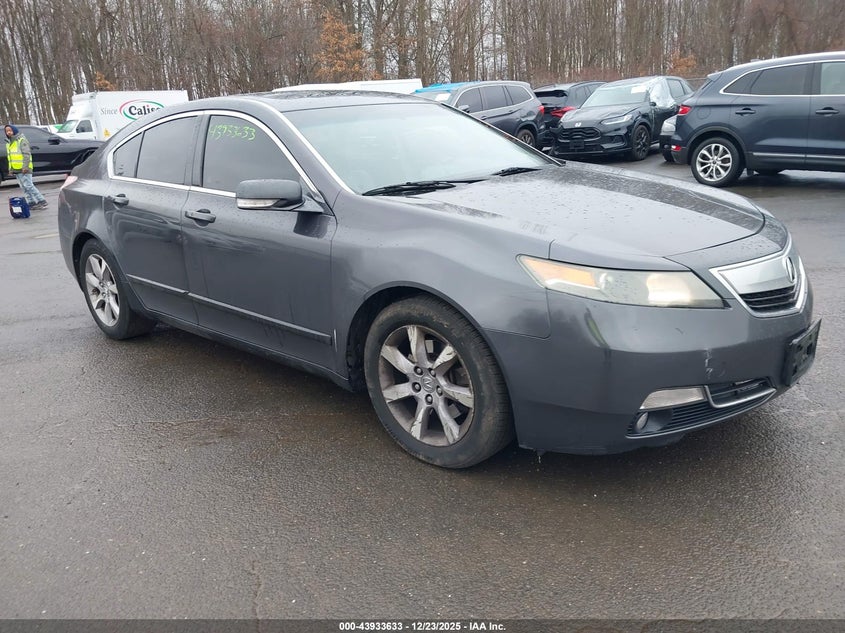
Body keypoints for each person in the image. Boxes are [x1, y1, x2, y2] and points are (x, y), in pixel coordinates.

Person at [5, 124, 47, 209]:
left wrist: (25, 167)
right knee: (23, 186)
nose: (8, 132)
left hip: (25, 168)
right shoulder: (8, 143)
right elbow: (10, 158)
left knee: (28, 185)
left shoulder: (21, 140)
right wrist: (11, 169)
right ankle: (31, 202)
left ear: (14, 131)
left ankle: (41, 200)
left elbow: (26, 154)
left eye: (10, 130)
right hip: (16, 169)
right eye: (7, 131)